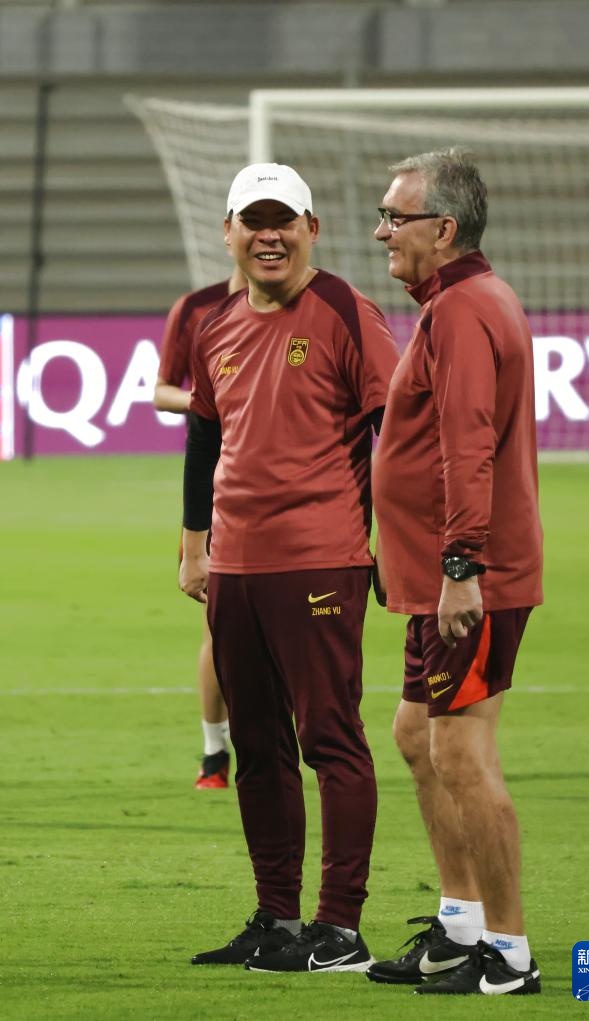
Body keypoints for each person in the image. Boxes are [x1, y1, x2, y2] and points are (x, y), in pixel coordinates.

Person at [179, 162, 399, 972]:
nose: (268, 235)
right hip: (236, 567)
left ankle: (339, 927)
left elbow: (393, 428)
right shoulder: (214, 325)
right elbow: (205, 435)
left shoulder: (346, 309)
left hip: (320, 558)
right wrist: (193, 543)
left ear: (312, 228)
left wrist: (396, 541)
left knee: (330, 738)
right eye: (254, 221)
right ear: (229, 233)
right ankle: (277, 917)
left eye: (284, 220)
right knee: (258, 745)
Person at [369, 148, 543, 996]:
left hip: (472, 579)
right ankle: (460, 926)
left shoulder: (465, 310)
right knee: (416, 735)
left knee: (461, 753)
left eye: (394, 217)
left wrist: (462, 565)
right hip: (443, 574)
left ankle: (508, 953)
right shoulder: (464, 301)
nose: (382, 232)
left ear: (443, 229)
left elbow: (467, 443)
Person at [154, 267, 246, 789]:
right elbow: (162, 390)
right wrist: (214, 401)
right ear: (229, 233)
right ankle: (215, 750)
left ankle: (282, 743)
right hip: (217, 489)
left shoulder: (313, 308)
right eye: (252, 226)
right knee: (220, 627)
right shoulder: (196, 309)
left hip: (290, 497)